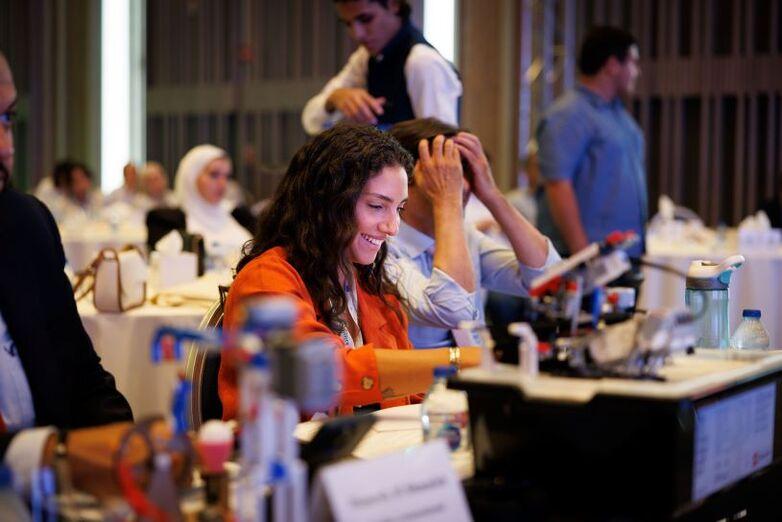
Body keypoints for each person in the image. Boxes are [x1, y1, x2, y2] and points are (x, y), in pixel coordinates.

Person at [218, 123, 481, 418]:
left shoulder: (368, 284)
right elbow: (320, 372)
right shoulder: (267, 278)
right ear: (329, 200)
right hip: (284, 455)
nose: (392, 228)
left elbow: (413, 394)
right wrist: (457, 360)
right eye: (377, 206)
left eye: (399, 209)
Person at [0, 50, 132, 492]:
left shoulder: (24, 224)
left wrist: (124, 444)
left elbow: (81, 374)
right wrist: (58, 456)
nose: (5, 145)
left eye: (6, 117)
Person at [386, 118, 560, 348]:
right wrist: (448, 201)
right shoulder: (382, 247)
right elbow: (452, 310)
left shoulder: (465, 235)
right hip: (420, 382)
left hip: (475, 374)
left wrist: (491, 194)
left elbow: (548, 278)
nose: (464, 186)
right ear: (404, 181)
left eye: (465, 172)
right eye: (448, 173)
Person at [536, 26, 646, 258]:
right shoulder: (569, 114)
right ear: (612, 65)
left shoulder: (618, 114)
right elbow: (557, 185)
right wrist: (584, 258)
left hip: (621, 256)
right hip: (586, 260)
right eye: (633, 63)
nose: (637, 72)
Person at [301, 0, 461, 135]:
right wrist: (335, 98)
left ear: (394, 4)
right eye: (348, 23)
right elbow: (312, 121)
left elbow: (440, 149)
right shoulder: (364, 58)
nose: (357, 34)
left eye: (365, 19)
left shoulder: (422, 62)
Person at [146, 144, 254, 266]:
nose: (223, 184)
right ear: (192, 175)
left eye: (226, 176)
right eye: (214, 175)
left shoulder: (239, 214)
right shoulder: (165, 221)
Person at [35, 159, 103, 225]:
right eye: (75, 181)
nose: (79, 184)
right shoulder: (48, 186)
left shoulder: (96, 195)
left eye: (82, 179)